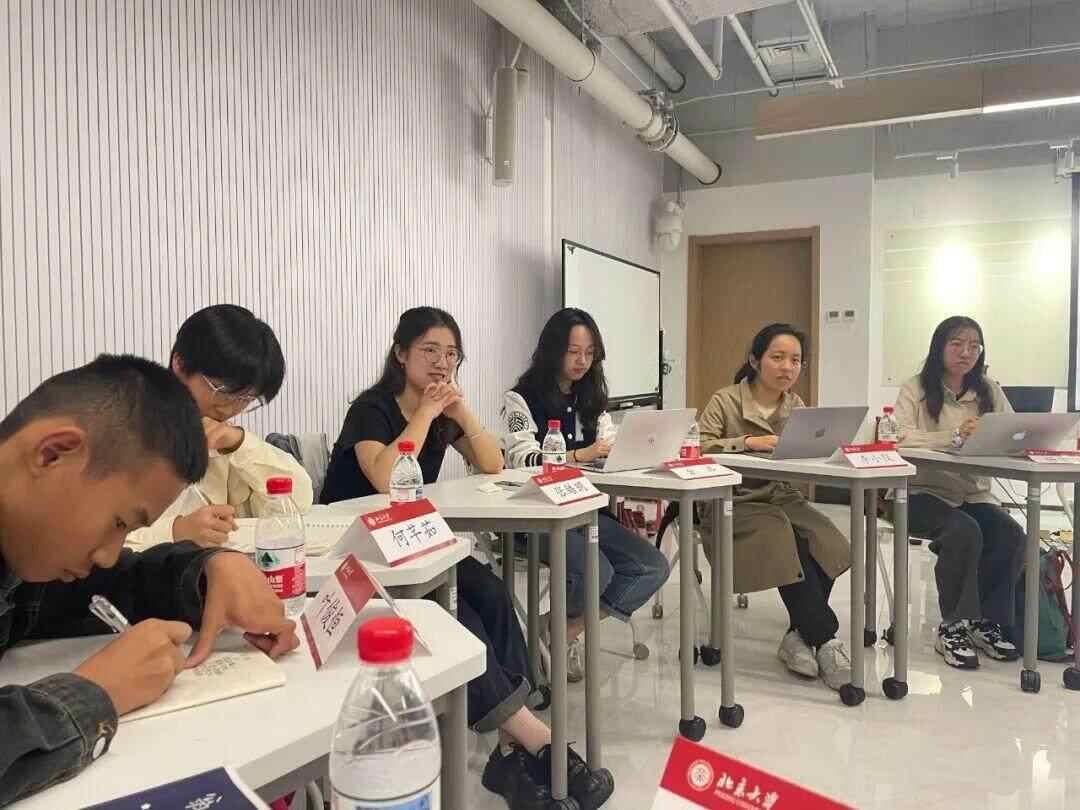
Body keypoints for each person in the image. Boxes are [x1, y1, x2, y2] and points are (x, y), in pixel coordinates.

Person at [320, 307, 613, 810]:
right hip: (358, 552)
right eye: (430, 351)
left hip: (412, 541)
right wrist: (426, 413)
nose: (442, 363)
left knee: (492, 593)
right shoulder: (372, 408)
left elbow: (493, 463)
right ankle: (536, 740)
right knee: (460, 615)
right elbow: (386, 478)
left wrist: (461, 413)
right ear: (400, 354)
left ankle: (510, 751)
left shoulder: (441, 413)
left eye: (452, 354)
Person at [0, 355, 300, 807]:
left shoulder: (27, 554)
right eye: (119, 522)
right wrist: (94, 694)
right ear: (52, 453)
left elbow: (114, 583)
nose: (107, 553)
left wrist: (207, 571)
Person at [501, 308, 670, 682]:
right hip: (538, 516)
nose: (582, 361)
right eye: (573, 351)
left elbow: (609, 443)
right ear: (552, 350)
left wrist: (635, 452)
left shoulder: (592, 397)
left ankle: (563, 630)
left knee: (652, 567)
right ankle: (559, 633)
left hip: (587, 512)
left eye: (590, 353)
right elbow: (520, 460)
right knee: (598, 570)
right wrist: (582, 455)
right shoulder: (521, 398)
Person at [698, 323, 853, 691]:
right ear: (755, 360)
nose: (787, 367)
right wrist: (747, 442)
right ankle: (825, 639)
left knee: (826, 540)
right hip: (732, 500)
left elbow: (806, 454)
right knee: (785, 537)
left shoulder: (795, 405)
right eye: (778, 357)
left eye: (796, 360)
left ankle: (798, 635)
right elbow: (698, 446)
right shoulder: (725, 400)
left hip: (780, 496)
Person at [125, 305, 313, 551]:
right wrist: (175, 531)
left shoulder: (221, 439)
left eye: (246, 399)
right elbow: (88, 534)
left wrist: (240, 444)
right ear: (180, 365)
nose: (230, 409)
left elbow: (297, 501)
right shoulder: (125, 427)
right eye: (224, 391)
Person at [894, 315, 1023, 669]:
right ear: (939, 346)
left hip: (972, 494)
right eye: (957, 344)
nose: (966, 352)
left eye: (974, 346)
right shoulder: (915, 388)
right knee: (963, 531)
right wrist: (951, 437)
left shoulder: (989, 389)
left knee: (1010, 534)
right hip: (920, 493)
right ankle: (953, 626)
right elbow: (898, 436)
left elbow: (1014, 430)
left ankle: (987, 622)